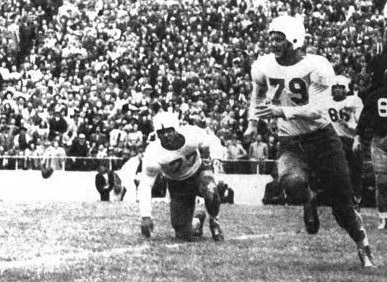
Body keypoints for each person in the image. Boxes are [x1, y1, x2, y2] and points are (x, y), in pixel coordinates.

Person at [243, 15, 374, 267]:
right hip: (290, 141)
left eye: (279, 38)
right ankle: (308, 199)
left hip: (322, 139)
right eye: (271, 37)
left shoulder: (316, 66)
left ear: (294, 40)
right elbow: (257, 92)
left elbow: (319, 108)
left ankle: (363, 246)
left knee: (343, 204)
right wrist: (252, 122)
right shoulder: (264, 66)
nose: (273, 43)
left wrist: (283, 111)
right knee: (291, 182)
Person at [138, 111, 226, 242]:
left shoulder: (191, 134)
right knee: (183, 234)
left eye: (169, 130)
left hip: (198, 171)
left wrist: (217, 156)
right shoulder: (154, 153)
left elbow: (213, 141)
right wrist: (145, 215)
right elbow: (145, 185)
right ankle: (197, 220)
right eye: (161, 132)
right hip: (178, 184)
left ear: (176, 128)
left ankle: (214, 221)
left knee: (211, 190)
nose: (166, 135)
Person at [323, 75, 364, 208]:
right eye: (335, 87)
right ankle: (341, 199)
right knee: (337, 170)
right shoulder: (326, 102)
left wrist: (349, 126)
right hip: (335, 140)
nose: (338, 90)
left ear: (346, 89)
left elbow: (362, 124)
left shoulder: (354, 101)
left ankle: (356, 199)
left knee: (354, 171)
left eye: (341, 87)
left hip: (352, 140)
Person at [356, 70, 387, 229]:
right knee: (381, 181)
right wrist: (357, 136)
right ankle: (383, 217)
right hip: (380, 141)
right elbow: (364, 118)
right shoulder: (375, 96)